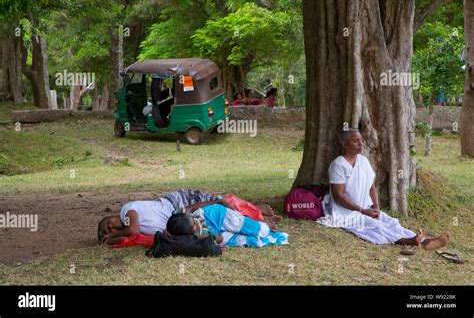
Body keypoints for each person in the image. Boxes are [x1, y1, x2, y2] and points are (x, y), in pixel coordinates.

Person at [317, 128, 449, 253]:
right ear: (345, 144)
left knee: (391, 222)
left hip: (366, 208)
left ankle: (425, 241)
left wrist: (376, 207)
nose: (360, 143)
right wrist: (362, 211)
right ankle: (408, 241)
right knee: (377, 227)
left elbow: (371, 185)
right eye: (355, 141)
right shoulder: (338, 165)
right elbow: (338, 196)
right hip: (346, 212)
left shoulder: (363, 161)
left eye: (361, 140)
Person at [97, 189, 276, 245]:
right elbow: (132, 236)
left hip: (177, 203)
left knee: (223, 204)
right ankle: (256, 221)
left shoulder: (126, 210)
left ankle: (255, 210)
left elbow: (132, 229)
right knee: (222, 222)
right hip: (182, 218)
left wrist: (110, 235)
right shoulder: (128, 229)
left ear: (112, 215)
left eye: (108, 224)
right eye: (109, 230)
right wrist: (112, 238)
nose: (112, 227)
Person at [166, 203, 288, 248]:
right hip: (215, 231)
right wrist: (204, 236)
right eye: (194, 227)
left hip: (220, 215)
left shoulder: (181, 214)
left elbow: (193, 207)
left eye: (193, 221)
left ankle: (263, 225)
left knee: (258, 230)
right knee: (242, 241)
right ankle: (256, 232)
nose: (196, 225)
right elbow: (220, 238)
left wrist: (219, 202)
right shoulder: (193, 235)